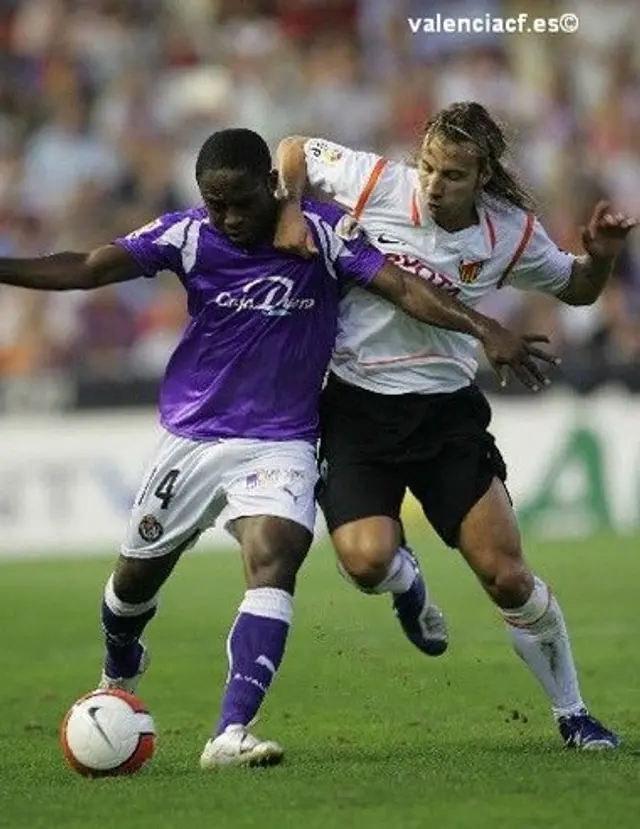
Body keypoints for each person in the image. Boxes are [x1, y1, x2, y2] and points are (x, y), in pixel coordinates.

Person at [0, 127, 555, 768]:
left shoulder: (319, 234)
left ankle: (230, 732)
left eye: (242, 201)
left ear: (272, 184)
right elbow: (88, 267)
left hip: (283, 440)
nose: (230, 218)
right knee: (130, 587)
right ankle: (120, 658)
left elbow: (403, 286)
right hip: (194, 437)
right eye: (216, 204)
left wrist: (486, 327)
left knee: (276, 556)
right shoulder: (186, 236)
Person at [274, 102, 638, 750]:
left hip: (445, 413)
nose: (434, 184)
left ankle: (574, 713)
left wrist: (603, 257)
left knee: (506, 573)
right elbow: (294, 148)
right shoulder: (377, 182)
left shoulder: (510, 233)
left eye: (453, 175)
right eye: (430, 166)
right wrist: (288, 211)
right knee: (365, 562)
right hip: (358, 405)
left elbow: (578, 288)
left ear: (483, 177)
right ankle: (406, 581)